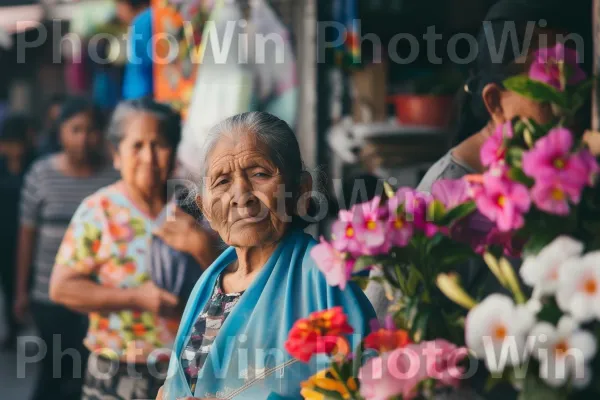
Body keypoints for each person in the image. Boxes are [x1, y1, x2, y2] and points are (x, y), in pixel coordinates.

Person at [365, 0, 594, 322]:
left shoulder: (558, 179)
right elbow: (378, 332)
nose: (566, 118)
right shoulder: (442, 199)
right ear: (495, 102)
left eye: (576, 99)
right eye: (548, 101)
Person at [158, 112, 375, 400]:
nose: (241, 195)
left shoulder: (325, 278)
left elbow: (371, 386)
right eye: (222, 181)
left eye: (259, 174)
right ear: (206, 208)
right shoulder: (210, 283)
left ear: (300, 190)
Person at [48, 98, 217, 400]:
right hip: (117, 371)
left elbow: (236, 282)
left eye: (159, 145)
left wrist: (203, 247)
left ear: (174, 151)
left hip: (190, 372)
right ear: (116, 155)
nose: (149, 157)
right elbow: (61, 288)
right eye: (136, 146)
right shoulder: (99, 211)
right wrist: (136, 298)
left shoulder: (198, 209)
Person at [13, 97, 119, 400]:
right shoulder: (40, 174)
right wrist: (21, 291)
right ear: (61, 132)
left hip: (98, 296)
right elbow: (26, 236)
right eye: (76, 129)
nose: (85, 138)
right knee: (53, 371)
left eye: (92, 130)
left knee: (85, 373)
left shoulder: (112, 177)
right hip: (49, 295)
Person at [0, 114, 35, 350]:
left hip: (28, 235)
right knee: (6, 283)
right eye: (9, 144)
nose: (14, 149)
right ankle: (12, 330)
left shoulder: (35, 166)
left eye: (18, 144)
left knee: (23, 282)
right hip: (3, 234)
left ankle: (23, 325)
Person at [117, 0, 153, 100]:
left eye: (119, 6)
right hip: (140, 91)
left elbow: (147, 59)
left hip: (143, 92)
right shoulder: (144, 19)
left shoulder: (142, 21)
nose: (118, 12)